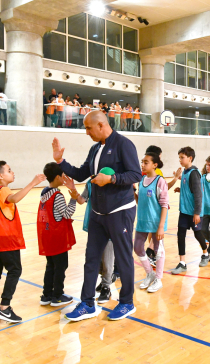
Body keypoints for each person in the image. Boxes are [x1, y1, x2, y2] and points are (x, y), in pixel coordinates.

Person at [53, 110, 142, 321]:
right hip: (97, 212)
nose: (86, 132)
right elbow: (83, 172)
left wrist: (111, 180)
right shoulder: (95, 148)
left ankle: (127, 302)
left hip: (120, 211)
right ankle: (87, 303)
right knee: (91, 259)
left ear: (101, 125)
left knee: (123, 258)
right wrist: (60, 161)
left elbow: (135, 174)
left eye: (88, 128)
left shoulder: (124, 144)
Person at [0, 161, 46, 323]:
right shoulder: (3, 189)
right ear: (0, 176)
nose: (13, 172)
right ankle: (5, 307)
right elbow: (14, 198)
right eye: (9, 170)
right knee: (14, 270)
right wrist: (33, 183)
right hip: (5, 238)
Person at [37, 163, 78, 307]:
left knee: (50, 265)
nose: (64, 178)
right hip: (57, 236)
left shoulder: (44, 192)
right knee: (61, 266)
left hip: (47, 235)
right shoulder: (57, 195)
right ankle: (57, 295)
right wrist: (73, 199)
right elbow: (67, 214)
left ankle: (46, 295)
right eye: (62, 176)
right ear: (57, 177)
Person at [75, 180, 116, 305]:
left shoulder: (112, 179)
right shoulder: (91, 182)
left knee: (107, 259)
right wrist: (73, 191)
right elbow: (82, 200)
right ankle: (106, 280)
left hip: (109, 225)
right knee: (95, 260)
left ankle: (106, 287)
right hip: (95, 224)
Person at [171, 146, 210, 274]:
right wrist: (180, 190)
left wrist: (197, 213)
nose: (180, 160)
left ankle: (205, 252)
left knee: (197, 234)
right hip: (184, 211)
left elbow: (198, 194)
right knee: (180, 235)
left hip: (194, 212)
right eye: (179, 158)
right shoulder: (185, 172)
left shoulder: (194, 173)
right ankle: (182, 263)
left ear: (190, 158)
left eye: (182, 157)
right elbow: (190, 190)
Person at [135, 153, 169, 293]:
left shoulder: (160, 181)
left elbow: (164, 205)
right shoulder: (141, 179)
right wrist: (132, 193)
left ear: (155, 165)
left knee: (158, 250)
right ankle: (150, 273)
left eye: (146, 162)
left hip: (156, 223)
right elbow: (140, 201)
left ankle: (158, 279)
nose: (143, 165)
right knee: (137, 247)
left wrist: (161, 227)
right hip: (142, 221)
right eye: (142, 162)